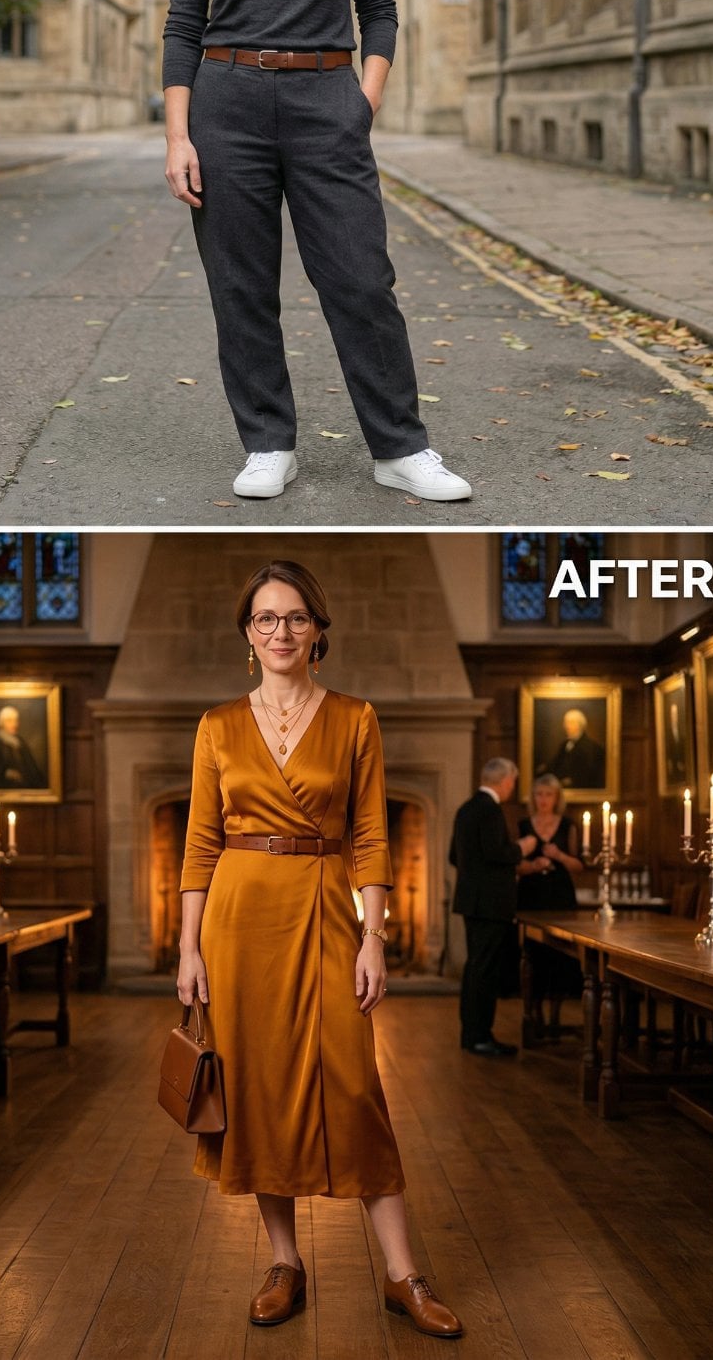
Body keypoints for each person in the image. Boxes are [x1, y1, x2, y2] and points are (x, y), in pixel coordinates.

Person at [162, 0, 471, 507]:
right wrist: (178, 136)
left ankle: (400, 448)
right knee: (241, 286)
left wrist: (361, 100)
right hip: (225, 103)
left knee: (361, 279)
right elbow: (181, 27)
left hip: (327, 99)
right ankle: (269, 443)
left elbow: (381, 12)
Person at [177, 559, 463, 1339]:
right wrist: (187, 948)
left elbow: (371, 834)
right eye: (266, 619)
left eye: (296, 617)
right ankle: (284, 1261)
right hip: (236, 919)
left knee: (354, 1082)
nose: (281, 631)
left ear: (318, 631)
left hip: (325, 905)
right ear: (248, 632)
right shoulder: (216, 725)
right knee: (256, 1086)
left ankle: (403, 1275)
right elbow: (199, 843)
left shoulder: (355, 718)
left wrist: (375, 936)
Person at [448, 758, 537, 1058]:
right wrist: (521, 848)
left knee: (475, 969)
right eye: (513, 780)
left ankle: (469, 1034)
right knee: (484, 972)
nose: (513, 785)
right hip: (490, 904)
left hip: (472, 901)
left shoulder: (466, 809)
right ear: (505, 780)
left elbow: (453, 856)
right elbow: (496, 852)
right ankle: (481, 1036)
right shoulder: (489, 809)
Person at [516, 774, 584, 1039]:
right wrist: (533, 866)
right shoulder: (523, 825)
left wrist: (559, 856)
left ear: (557, 798)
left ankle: (556, 1015)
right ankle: (535, 1014)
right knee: (534, 955)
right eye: (539, 794)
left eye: (548, 795)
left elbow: (578, 866)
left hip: (560, 898)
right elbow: (514, 865)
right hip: (532, 896)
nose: (543, 800)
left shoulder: (568, 826)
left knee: (560, 957)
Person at [0, 705, 45, 790]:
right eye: (9, 721)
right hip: (3, 789)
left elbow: (32, 768)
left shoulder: (20, 742)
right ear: (1, 723)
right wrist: (5, 773)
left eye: (16, 720)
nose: (14, 724)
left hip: (24, 790)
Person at [548, 708, 605, 790]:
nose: (566, 726)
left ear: (580, 725)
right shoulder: (564, 745)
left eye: (571, 723)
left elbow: (589, 776)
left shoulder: (593, 748)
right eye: (566, 723)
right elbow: (554, 767)